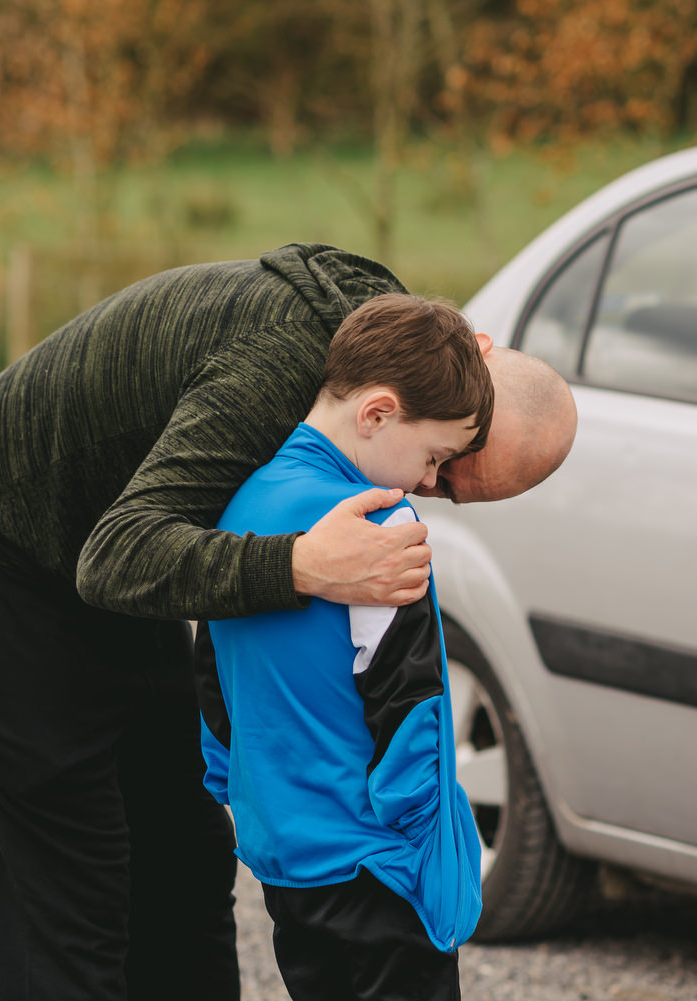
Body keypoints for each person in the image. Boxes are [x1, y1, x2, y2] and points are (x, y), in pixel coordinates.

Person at [0, 243, 577, 1001]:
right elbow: (115, 556)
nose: (427, 483)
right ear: (465, 361)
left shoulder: (398, 366)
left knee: (184, 864)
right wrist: (303, 566)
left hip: (135, 540)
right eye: (444, 461)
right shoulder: (275, 371)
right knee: (74, 898)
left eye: (454, 489)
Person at [201, 293, 495, 1001]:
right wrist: (427, 854)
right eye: (434, 454)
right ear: (377, 413)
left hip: (285, 856)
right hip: (376, 859)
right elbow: (410, 699)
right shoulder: (379, 526)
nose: (430, 479)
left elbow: (214, 677)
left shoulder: (239, 501)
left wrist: (227, 780)